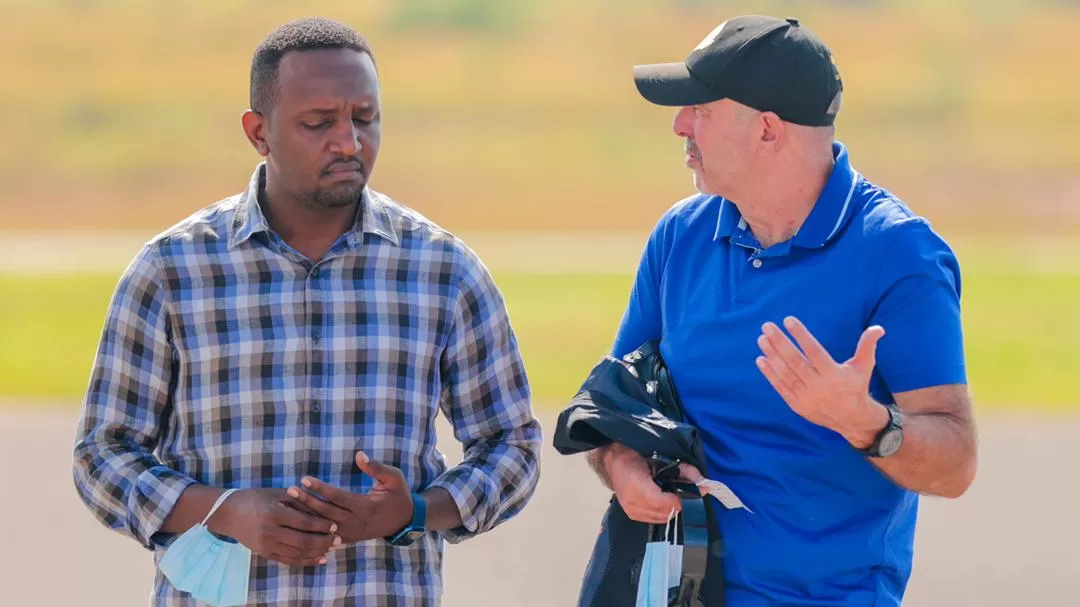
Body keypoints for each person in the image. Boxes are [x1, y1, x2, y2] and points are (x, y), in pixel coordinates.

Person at [73, 17, 541, 606]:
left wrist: (415, 511)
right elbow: (102, 456)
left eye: (365, 118)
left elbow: (513, 447)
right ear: (258, 132)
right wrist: (225, 511)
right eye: (318, 123)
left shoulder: (443, 270)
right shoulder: (171, 271)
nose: (348, 142)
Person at [587, 15, 978, 606]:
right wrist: (621, 465)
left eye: (701, 109)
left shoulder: (900, 255)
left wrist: (866, 423)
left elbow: (956, 465)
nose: (679, 125)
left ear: (768, 130)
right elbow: (612, 408)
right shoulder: (680, 236)